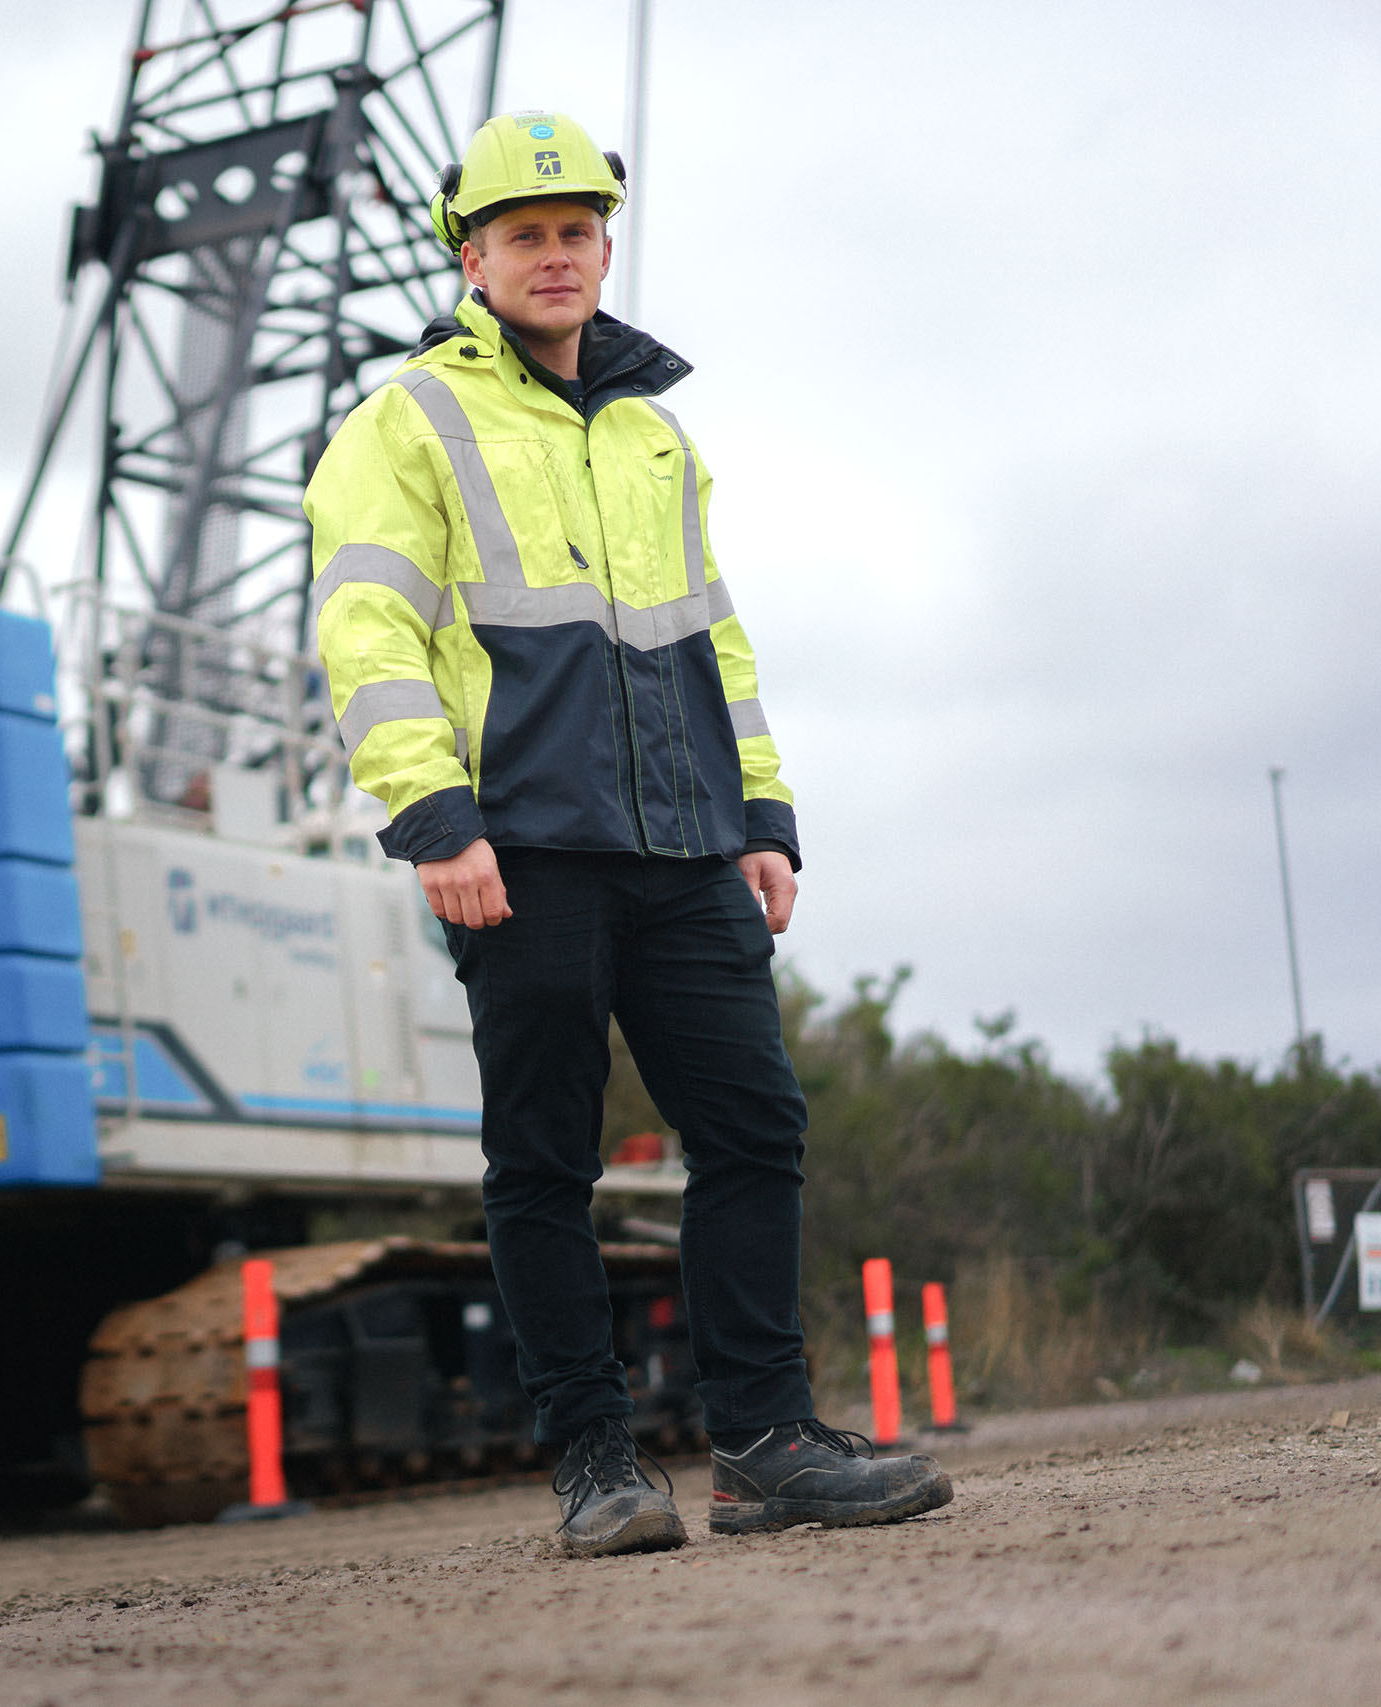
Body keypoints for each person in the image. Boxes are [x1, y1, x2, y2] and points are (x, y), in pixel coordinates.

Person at [304, 110, 952, 1557]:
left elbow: (712, 637)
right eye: (523, 234)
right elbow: (366, 627)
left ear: (606, 250)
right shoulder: (407, 421)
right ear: (470, 260)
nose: (555, 254)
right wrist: (433, 818)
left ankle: (765, 1447)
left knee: (756, 1128)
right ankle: (596, 1466)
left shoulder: (657, 432)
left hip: (687, 847)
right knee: (546, 1163)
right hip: (518, 851)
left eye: (576, 231)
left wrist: (760, 813)